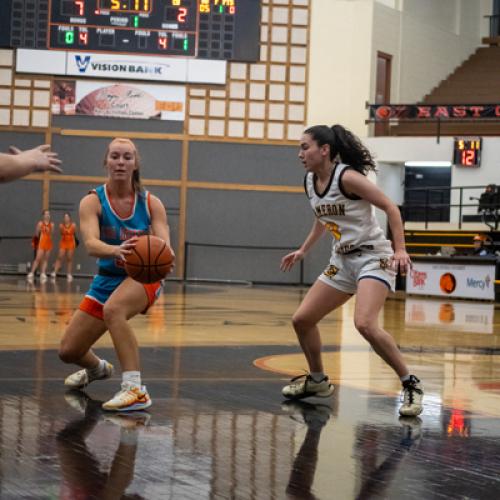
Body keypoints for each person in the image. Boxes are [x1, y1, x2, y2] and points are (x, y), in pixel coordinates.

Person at [280, 124, 423, 417]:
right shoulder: (310, 181)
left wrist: (400, 249)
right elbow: (323, 216)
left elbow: (390, 207)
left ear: (325, 150)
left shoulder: (347, 177)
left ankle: (410, 384)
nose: (300, 154)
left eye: (305, 147)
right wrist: (304, 249)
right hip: (342, 261)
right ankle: (318, 382)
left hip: (374, 257)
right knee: (302, 319)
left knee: (365, 324)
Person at [58, 138, 174, 412]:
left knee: (114, 310)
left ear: (135, 164)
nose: (120, 162)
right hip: (108, 277)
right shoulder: (92, 201)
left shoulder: (150, 202)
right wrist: (116, 250)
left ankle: (135, 389)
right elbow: (90, 244)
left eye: (126, 157)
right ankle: (98, 369)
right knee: (69, 351)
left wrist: (164, 257)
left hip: (144, 277)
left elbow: (164, 244)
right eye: (115, 157)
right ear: (106, 162)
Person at [27, 209, 54, 282]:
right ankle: (32, 273)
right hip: (41, 242)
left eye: (49, 214)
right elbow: (36, 234)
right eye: (46, 214)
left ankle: (43, 273)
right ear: (43, 216)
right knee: (38, 258)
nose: (47, 215)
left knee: (46, 259)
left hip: (48, 243)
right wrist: (36, 242)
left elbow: (51, 234)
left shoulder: (52, 224)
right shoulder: (40, 224)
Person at [51, 212, 78, 281]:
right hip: (63, 242)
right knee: (60, 257)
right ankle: (54, 272)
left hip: (71, 242)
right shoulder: (61, 225)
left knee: (69, 258)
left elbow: (75, 232)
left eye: (67, 217)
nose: (66, 218)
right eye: (65, 217)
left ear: (69, 218)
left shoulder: (73, 225)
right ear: (64, 218)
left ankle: (69, 274)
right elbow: (61, 233)